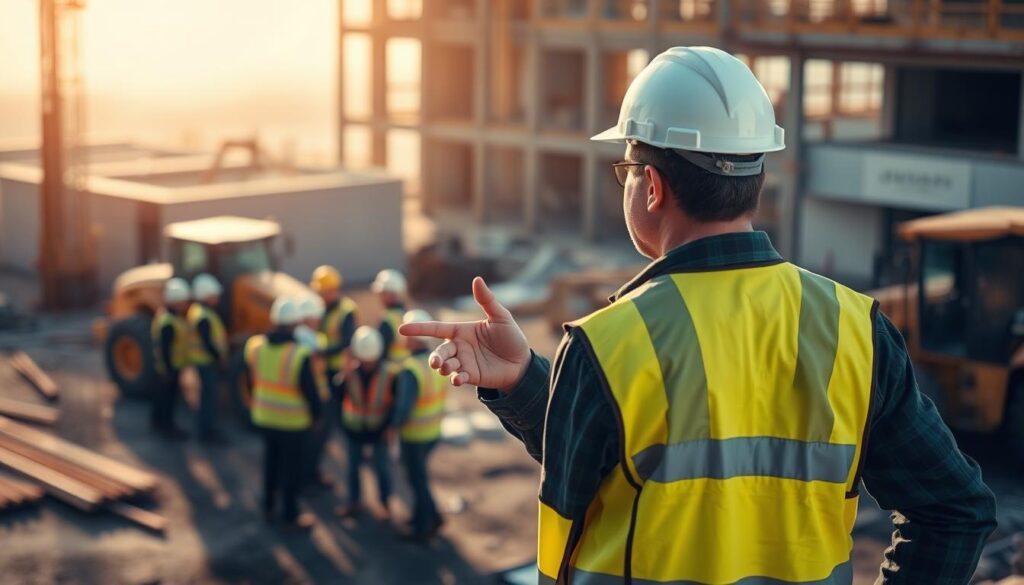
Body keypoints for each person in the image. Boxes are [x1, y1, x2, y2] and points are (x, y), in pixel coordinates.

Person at [400, 46, 997, 584]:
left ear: (652, 186)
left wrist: (534, 387)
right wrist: (525, 379)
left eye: (626, 170)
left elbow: (586, 496)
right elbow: (956, 510)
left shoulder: (610, 344)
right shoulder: (855, 329)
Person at [244, 297, 322, 529]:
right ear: (296, 324)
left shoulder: (255, 347)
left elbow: (251, 379)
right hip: (293, 422)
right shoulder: (299, 354)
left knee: (271, 462)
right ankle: (290, 515)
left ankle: (268, 506)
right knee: (291, 470)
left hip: (264, 417)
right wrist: (317, 416)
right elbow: (311, 392)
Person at [391, 309, 447, 542]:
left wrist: (391, 427)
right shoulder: (435, 361)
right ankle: (431, 516)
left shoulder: (410, 369)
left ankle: (423, 527)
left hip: (415, 435)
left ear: (414, 338)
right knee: (420, 478)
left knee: (417, 480)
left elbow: (404, 408)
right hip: (432, 432)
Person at [337, 326, 396, 519]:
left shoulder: (389, 374)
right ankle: (354, 502)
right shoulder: (350, 372)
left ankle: (385, 505)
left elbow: (394, 404)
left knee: (382, 469)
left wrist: (389, 427)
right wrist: (342, 376)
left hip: (378, 430)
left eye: (370, 361)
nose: (367, 364)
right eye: (364, 360)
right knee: (353, 468)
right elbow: (336, 396)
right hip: (353, 429)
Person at [309, 265, 358, 487]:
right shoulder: (322, 308)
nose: (321, 295)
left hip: (340, 371)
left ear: (334, 289)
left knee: (334, 418)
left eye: (324, 291)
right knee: (330, 419)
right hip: (323, 372)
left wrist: (323, 352)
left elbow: (347, 341)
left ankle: (356, 450)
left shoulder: (346, 311)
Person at [295, 295, 333, 487]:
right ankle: (307, 478)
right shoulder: (305, 338)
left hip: (316, 393)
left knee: (314, 440)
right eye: (315, 317)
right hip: (314, 396)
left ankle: (310, 474)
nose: (318, 320)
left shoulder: (307, 336)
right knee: (312, 441)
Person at [188, 273, 228, 444]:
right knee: (208, 399)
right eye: (214, 295)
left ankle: (207, 430)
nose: (217, 298)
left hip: (203, 361)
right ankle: (207, 433)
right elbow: (207, 342)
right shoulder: (203, 316)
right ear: (206, 295)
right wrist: (218, 357)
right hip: (205, 362)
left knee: (207, 397)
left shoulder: (199, 311)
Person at [151, 277, 192, 440]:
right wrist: (169, 369)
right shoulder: (169, 322)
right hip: (169, 368)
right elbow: (166, 348)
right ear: (175, 301)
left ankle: (158, 422)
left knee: (162, 398)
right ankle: (168, 429)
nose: (186, 304)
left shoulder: (167, 316)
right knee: (168, 400)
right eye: (183, 301)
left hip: (166, 367)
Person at [371, 269, 410, 364]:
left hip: (393, 372)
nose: (380, 297)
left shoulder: (387, 319)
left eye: (383, 293)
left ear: (391, 294)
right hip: (408, 367)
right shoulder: (407, 314)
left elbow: (380, 352)